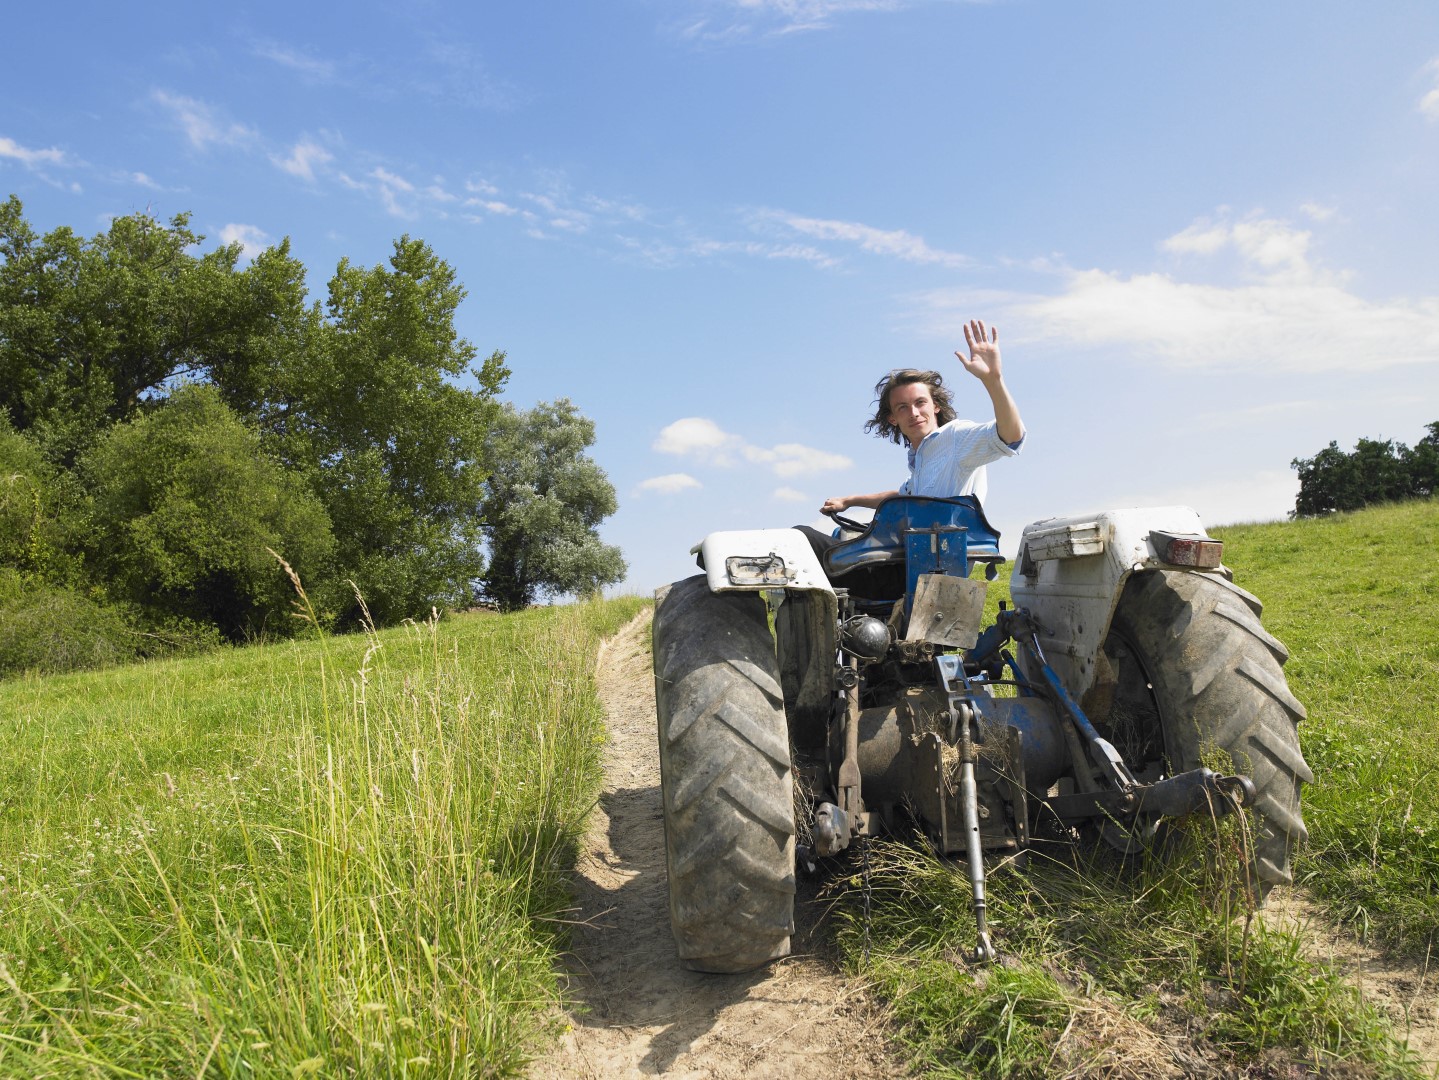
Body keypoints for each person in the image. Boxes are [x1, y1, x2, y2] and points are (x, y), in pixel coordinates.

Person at [801, 319, 1025, 562]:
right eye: (903, 407)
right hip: (911, 559)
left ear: (935, 406)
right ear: (893, 418)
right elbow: (899, 498)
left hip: (932, 564)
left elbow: (1011, 436)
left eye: (920, 403)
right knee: (839, 537)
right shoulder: (921, 459)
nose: (914, 413)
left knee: (801, 538)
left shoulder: (955, 439)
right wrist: (849, 501)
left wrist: (993, 381)